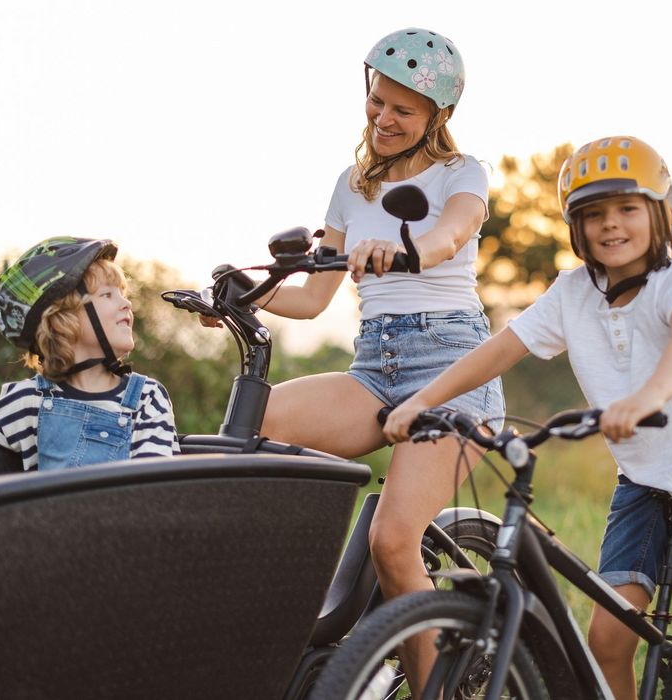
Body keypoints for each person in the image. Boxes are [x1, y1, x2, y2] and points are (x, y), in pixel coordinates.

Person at [383, 136, 672, 699]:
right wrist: (423, 399)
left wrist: (645, 400)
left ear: (659, 213)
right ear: (575, 226)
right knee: (608, 641)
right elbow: (499, 350)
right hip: (644, 483)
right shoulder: (574, 293)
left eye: (627, 209)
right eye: (592, 214)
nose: (610, 225)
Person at [234, 27, 503, 693]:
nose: (383, 118)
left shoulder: (461, 174)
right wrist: (245, 299)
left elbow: (453, 232)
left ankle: (430, 688)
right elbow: (313, 297)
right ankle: (303, 608)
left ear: (436, 117)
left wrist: (407, 250)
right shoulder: (350, 185)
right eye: (377, 102)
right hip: (374, 366)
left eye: (402, 110)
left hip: (450, 369)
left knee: (392, 542)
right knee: (254, 427)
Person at [0, 237, 179, 471]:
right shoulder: (28, 403)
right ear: (64, 319)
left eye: (123, 294)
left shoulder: (146, 398)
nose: (126, 303)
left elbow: (154, 492)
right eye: (107, 295)